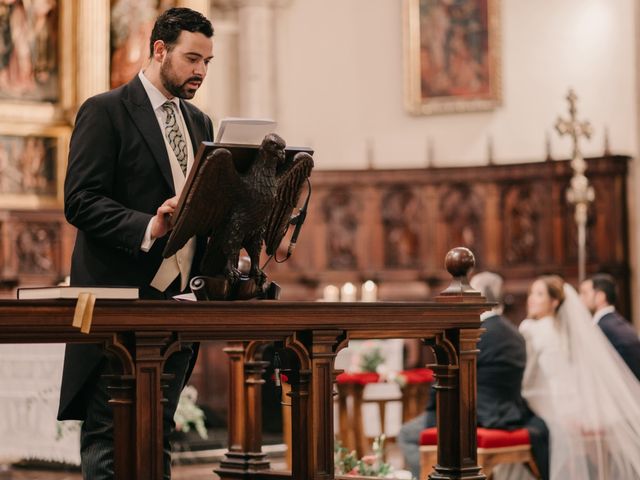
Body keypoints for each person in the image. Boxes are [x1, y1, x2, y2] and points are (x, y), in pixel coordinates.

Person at [56, 8, 214, 479]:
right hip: (119, 301)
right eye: (191, 58)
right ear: (159, 50)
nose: (201, 71)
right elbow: (80, 202)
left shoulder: (202, 124)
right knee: (109, 440)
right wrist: (149, 225)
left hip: (179, 304)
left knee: (157, 437)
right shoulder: (105, 111)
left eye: (208, 61)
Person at [397, 272, 549, 480]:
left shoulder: (474, 333)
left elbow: (446, 378)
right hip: (512, 413)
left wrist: (433, 412)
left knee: (407, 434)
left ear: (475, 296)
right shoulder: (515, 333)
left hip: (476, 417)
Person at [520, 275, 640, 479]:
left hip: (550, 404)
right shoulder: (568, 332)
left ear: (554, 302)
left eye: (539, 294)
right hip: (578, 405)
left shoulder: (530, 329)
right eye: (531, 293)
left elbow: (528, 379)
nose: (531, 298)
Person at [579, 273, 640, 380]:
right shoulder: (619, 322)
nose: (580, 299)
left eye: (584, 294)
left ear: (600, 297)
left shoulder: (601, 329)